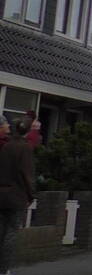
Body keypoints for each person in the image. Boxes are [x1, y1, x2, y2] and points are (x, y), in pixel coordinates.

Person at [0, 118, 35, 275]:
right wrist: (30, 195)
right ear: (27, 132)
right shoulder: (25, 148)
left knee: (1, 231)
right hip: (17, 196)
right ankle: (3, 269)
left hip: (2, 194)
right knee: (11, 232)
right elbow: (26, 173)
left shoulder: (6, 146)